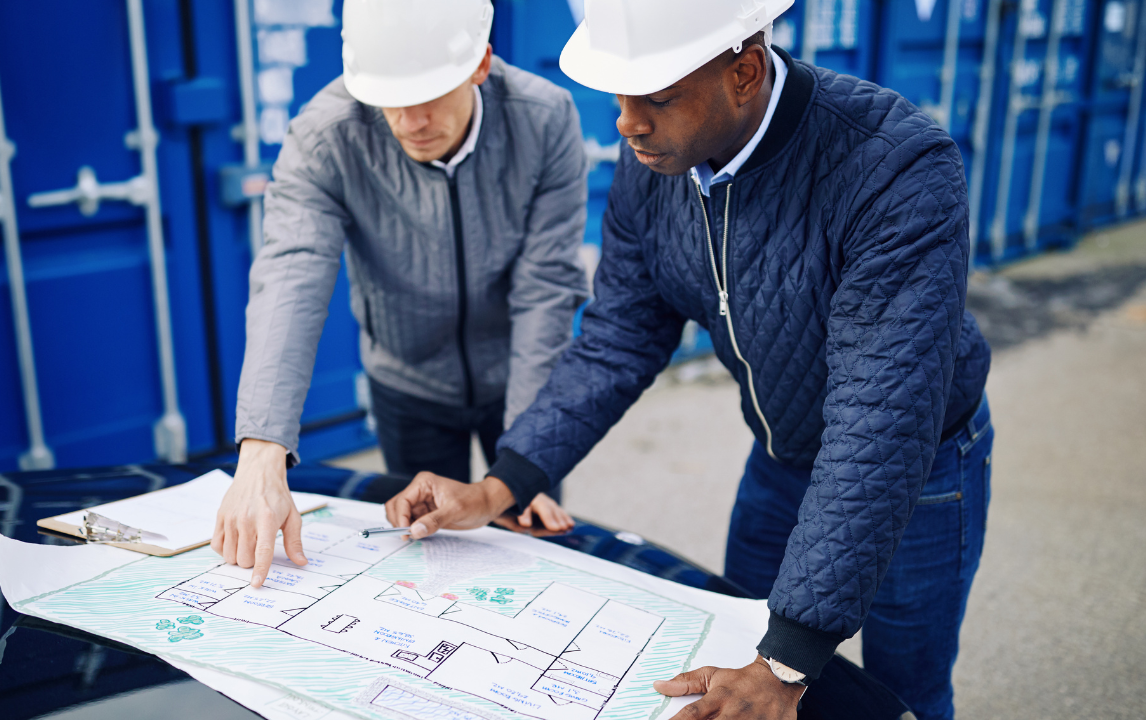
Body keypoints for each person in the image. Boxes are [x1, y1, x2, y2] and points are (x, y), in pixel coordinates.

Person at [383, 1, 994, 719]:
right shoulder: (658, 161)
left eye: (658, 97)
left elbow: (880, 423)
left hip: (918, 473)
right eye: (619, 93)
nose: (627, 122)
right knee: (740, 653)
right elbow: (619, 336)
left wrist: (788, 658)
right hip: (780, 453)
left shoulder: (893, 168)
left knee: (898, 696)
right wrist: (499, 486)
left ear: (743, 72)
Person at [213, 0, 586, 589]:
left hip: (523, 378)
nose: (410, 121)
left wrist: (521, 468)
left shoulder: (544, 117)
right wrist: (262, 450)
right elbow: (291, 272)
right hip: (408, 383)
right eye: (389, 99)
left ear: (481, 65)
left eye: (431, 95)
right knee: (422, 557)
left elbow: (547, 290)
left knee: (526, 558)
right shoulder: (325, 134)